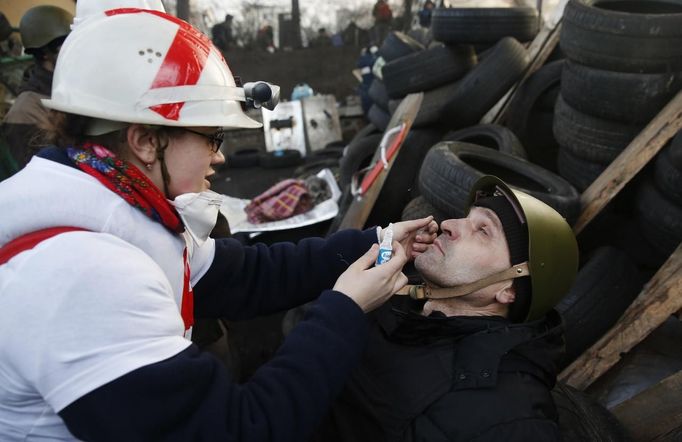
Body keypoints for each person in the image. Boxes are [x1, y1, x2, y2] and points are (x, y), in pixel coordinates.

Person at [0, 9, 438, 441]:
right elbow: (239, 430)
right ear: (146, 141)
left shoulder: (119, 207)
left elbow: (246, 275)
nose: (220, 156)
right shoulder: (84, 274)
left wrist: (377, 240)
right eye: (213, 136)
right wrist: (345, 308)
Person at [312, 175, 580, 441]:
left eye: (483, 230)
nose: (449, 224)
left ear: (509, 289)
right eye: (466, 217)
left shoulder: (507, 417)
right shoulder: (386, 294)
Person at [1, 5, 72, 169]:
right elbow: (44, 173)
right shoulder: (24, 112)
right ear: (45, 52)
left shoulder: (73, 87)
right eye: (66, 45)